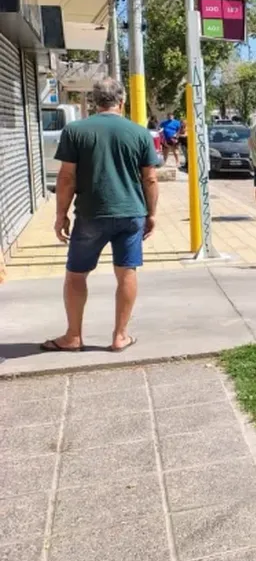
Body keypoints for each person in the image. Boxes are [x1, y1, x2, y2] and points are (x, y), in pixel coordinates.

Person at [43, 78, 159, 354]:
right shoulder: (140, 133)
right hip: (131, 213)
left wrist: (61, 215)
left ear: (95, 102)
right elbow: (150, 179)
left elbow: (66, 177)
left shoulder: (75, 131)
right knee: (126, 272)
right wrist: (151, 214)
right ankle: (120, 336)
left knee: (76, 275)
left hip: (91, 214)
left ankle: (73, 336)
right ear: (122, 101)